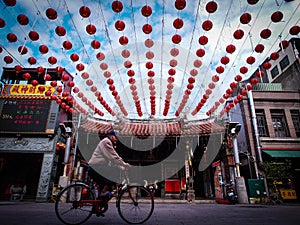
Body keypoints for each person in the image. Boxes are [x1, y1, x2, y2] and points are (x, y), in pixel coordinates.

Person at [88, 130, 130, 199]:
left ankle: (97, 207)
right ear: (111, 136)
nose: (116, 138)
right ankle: (104, 192)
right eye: (115, 137)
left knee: (103, 188)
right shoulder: (106, 142)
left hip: (96, 168)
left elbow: (112, 161)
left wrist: (121, 166)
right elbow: (114, 157)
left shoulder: (106, 142)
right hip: (96, 168)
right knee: (115, 171)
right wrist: (124, 164)